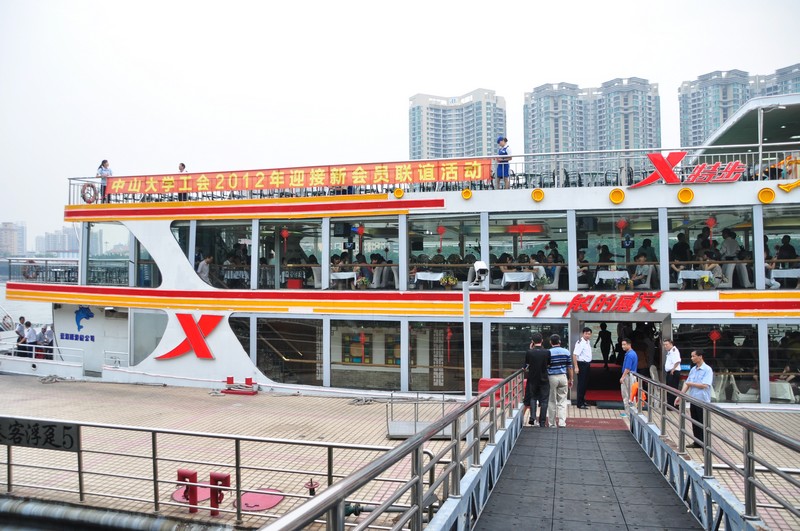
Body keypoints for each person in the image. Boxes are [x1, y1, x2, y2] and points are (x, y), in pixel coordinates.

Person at [674, 350, 714, 448]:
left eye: (694, 356)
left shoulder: (707, 369)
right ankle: (697, 442)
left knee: (702, 422)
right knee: (695, 421)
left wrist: (691, 384)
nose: (692, 358)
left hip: (702, 400)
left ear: (700, 357)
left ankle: (705, 444)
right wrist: (680, 396)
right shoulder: (693, 369)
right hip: (693, 399)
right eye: (691, 356)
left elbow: (705, 385)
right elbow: (687, 383)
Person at [523, 332, 551, 427]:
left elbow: (526, 365)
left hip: (533, 378)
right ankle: (542, 422)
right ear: (542, 340)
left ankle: (532, 418)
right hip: (544, 378)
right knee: (544, 400)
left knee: (533, 398)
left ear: (532, 342)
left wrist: (531, 349)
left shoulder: (529, 352)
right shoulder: (547, 352)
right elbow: (549, 364)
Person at [547, 334, 573, 428]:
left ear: (550, 342)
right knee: (562, 401)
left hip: (551, 377)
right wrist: (571, 379)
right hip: (563, 376)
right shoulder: (566, 352)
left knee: (551, 401)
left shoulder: (548, 352)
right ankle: (562, 423)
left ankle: (552, 423)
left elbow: (546, 366)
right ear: (560, 342)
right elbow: (570, 367)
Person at [572, 327, 593, 409]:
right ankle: (579, 403)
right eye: (586, 334)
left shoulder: (588, 342)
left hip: (587, 364)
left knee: (585, 383)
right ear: (583, 333)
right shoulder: (580, 343)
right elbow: (574, 355)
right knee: (581, 384)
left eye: (589, 334)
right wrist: (576, 367)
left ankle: (583, 401)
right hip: (581, 364)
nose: (588, 335)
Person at [619, 337, 638, 413]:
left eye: (624, 344)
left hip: (628, 376)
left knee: (626, 394)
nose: (623, 346)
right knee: (631, 394)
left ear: (629, 345)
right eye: (622, 344)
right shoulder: (632, 353)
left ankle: (628, 412)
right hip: (632, 375)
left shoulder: (630, 355)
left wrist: (622, 377)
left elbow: (627, 368)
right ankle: (632, 411)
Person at [663, 338, 682, 405]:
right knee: (669, 389)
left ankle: (672, 405)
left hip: (673, 372)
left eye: (666, 344)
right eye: (664, 345)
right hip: (670, 372)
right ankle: (670, 404)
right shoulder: (670, 351)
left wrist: (673, 369)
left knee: (672, 389)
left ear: (671, 344)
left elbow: (677, 361)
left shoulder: (674, 351)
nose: (665, 346)